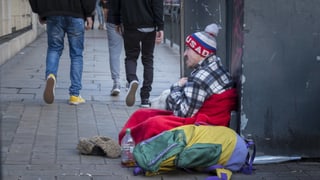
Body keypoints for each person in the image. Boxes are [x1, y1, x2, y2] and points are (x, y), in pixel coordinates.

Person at [118, 23, 238, 144]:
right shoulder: (216, 65)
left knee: (152, 123)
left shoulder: (200, 78)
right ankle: (128, 139)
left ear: (202, 53)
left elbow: (182, 114)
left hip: (201, 125)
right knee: (144, 114)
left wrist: (176, 87)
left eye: (188, 49)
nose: (185, 54)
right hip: (208, 119)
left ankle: (128, 143)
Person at [28, 0, 96, 105]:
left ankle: (51, 75)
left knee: (54, 48)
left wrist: (40, 10)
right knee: (76, 55)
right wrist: (88, 13)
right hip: (76, 13)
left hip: (53, 13)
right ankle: (75, 94)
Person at [111, 0, 164, 107]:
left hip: (131, 24)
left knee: (131, 57)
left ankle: (132, 80)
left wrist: (117, 21)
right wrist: (160, 27)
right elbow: (158, 6)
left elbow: (116, 4)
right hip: (150, 25)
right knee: (148, 60)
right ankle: (145, 97)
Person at [106, 0, 123, 96]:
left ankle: (116, 82)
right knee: (131, 53)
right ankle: (131, 79)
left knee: (114, 52)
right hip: (130, 18)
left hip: (112, 18)